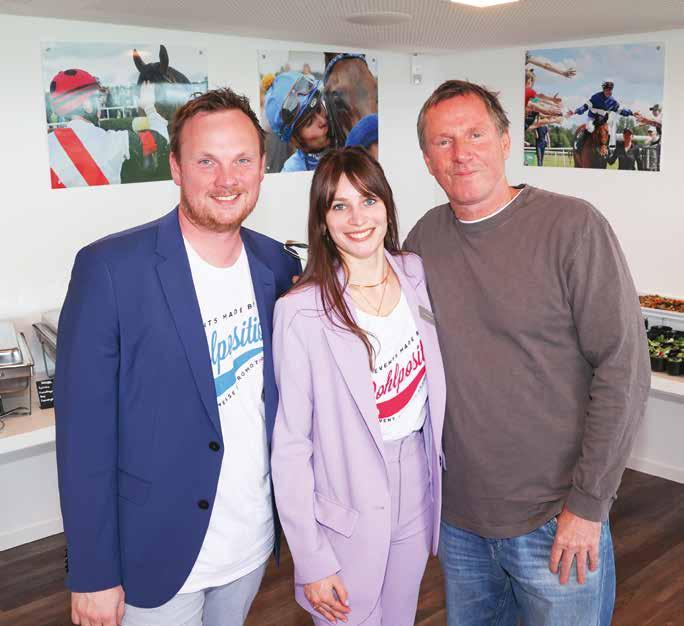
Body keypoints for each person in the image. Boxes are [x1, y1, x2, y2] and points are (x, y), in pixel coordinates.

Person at [405, 80, 651, 626]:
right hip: (460, 521)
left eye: (475, 134)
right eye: (443, 142)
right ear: (427, 160)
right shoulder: (424, 239)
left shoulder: (573, 226)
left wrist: (588, 505)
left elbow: (624, 370)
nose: (461, 153)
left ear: (505, 140)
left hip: (556, 518)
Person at [55, 88, 300, 626]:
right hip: (153, 554)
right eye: (206, 161)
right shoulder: (109, 270)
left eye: (242, 160)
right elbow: (82, 438)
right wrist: (92, 572)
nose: (227, 179)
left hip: (251, 542)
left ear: (263, 166)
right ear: (175, 167)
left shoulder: (278, 265)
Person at [271, 147, 446, 626]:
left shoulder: (414, 273)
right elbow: (291, 446)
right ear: (322, 221)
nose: (357, 218)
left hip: (416, 486)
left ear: (386, 206)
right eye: (339, 205)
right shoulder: (300, 310)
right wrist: (311, 558)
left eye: (368, 200)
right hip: (345, 506)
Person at [48, 69, 169, 187]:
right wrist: (149, 106)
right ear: (87, 104)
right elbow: (161, 138)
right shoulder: (114, 141)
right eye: (97, 98)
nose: (101, 103)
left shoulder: (47, 145)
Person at [265, 71, 332, 172]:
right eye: (310, 122)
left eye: (319, 109)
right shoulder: (292, 172)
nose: (323, 121)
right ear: (297, 141)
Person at [566, 80, 639, 153]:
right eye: (607, 90)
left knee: (609, 131)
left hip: (603, 120)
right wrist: (575, 111)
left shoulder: (613, 102)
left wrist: (632, 113)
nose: (609, 92)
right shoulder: (595, 97)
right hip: (593, 118)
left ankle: (608, 149)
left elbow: (621, 111)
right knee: (590, 128)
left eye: (610, 90)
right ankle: (579, 145)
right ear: (603, 90)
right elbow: (585, 107)